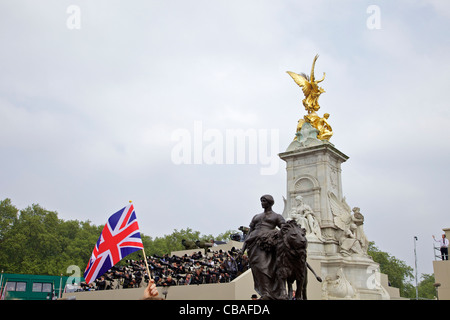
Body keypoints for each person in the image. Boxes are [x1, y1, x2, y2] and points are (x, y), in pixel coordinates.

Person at [242, 194, 286, 299]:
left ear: (270, 202)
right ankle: (265, 293)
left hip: (266, 243)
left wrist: (274, 235)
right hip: (253, 243)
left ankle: (269, 293)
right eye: (261, 201)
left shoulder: (277, 216)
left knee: (264, 267)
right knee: (257, 268)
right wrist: (243, 248)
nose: (262, 203)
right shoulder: (256, 216)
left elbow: (284, 229)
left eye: (264, 201)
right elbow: (249, 233)